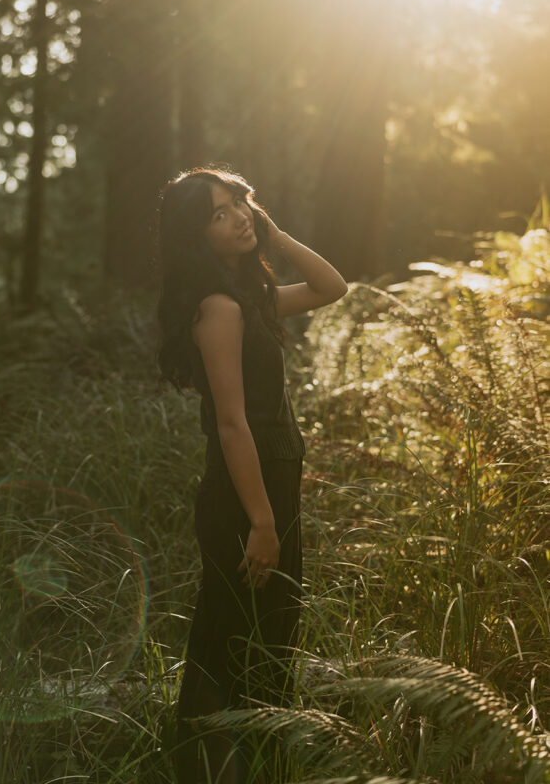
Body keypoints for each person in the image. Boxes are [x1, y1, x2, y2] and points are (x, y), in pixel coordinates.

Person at [155, 166, 348, 784]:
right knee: (236, 637)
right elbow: (232, 426)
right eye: (218, 213)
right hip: (246, 496)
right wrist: (262, 522)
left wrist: (272, 232)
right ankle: (214, 767)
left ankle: (251, 763)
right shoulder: (217, 309)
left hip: (271, 482)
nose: (237, 215)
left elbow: (331, 286)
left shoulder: (250, 299)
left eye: (237, 201)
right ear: (196, 237)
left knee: (264, 633)